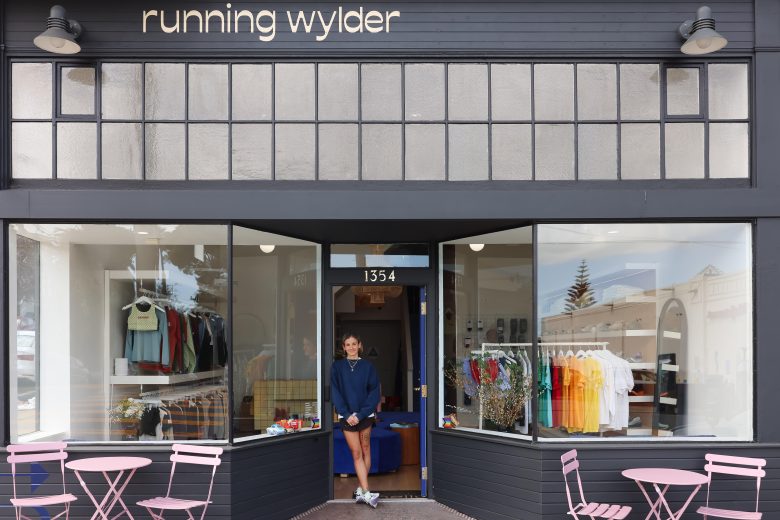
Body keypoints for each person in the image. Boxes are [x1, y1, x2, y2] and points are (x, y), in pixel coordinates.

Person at [330, 333, 381, 508]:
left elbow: (374, 393)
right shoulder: (337, 367)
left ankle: (362, 489)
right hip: (346, 417)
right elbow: (335, 392)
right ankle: (366, 492)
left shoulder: (368, 367)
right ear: (343, 348)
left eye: (354, 344)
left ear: (359, 345)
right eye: (348, 344)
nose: (351, 347)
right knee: (357, 453)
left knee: (366, 449)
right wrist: (346, 413)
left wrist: (360, 415)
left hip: (365, 416)